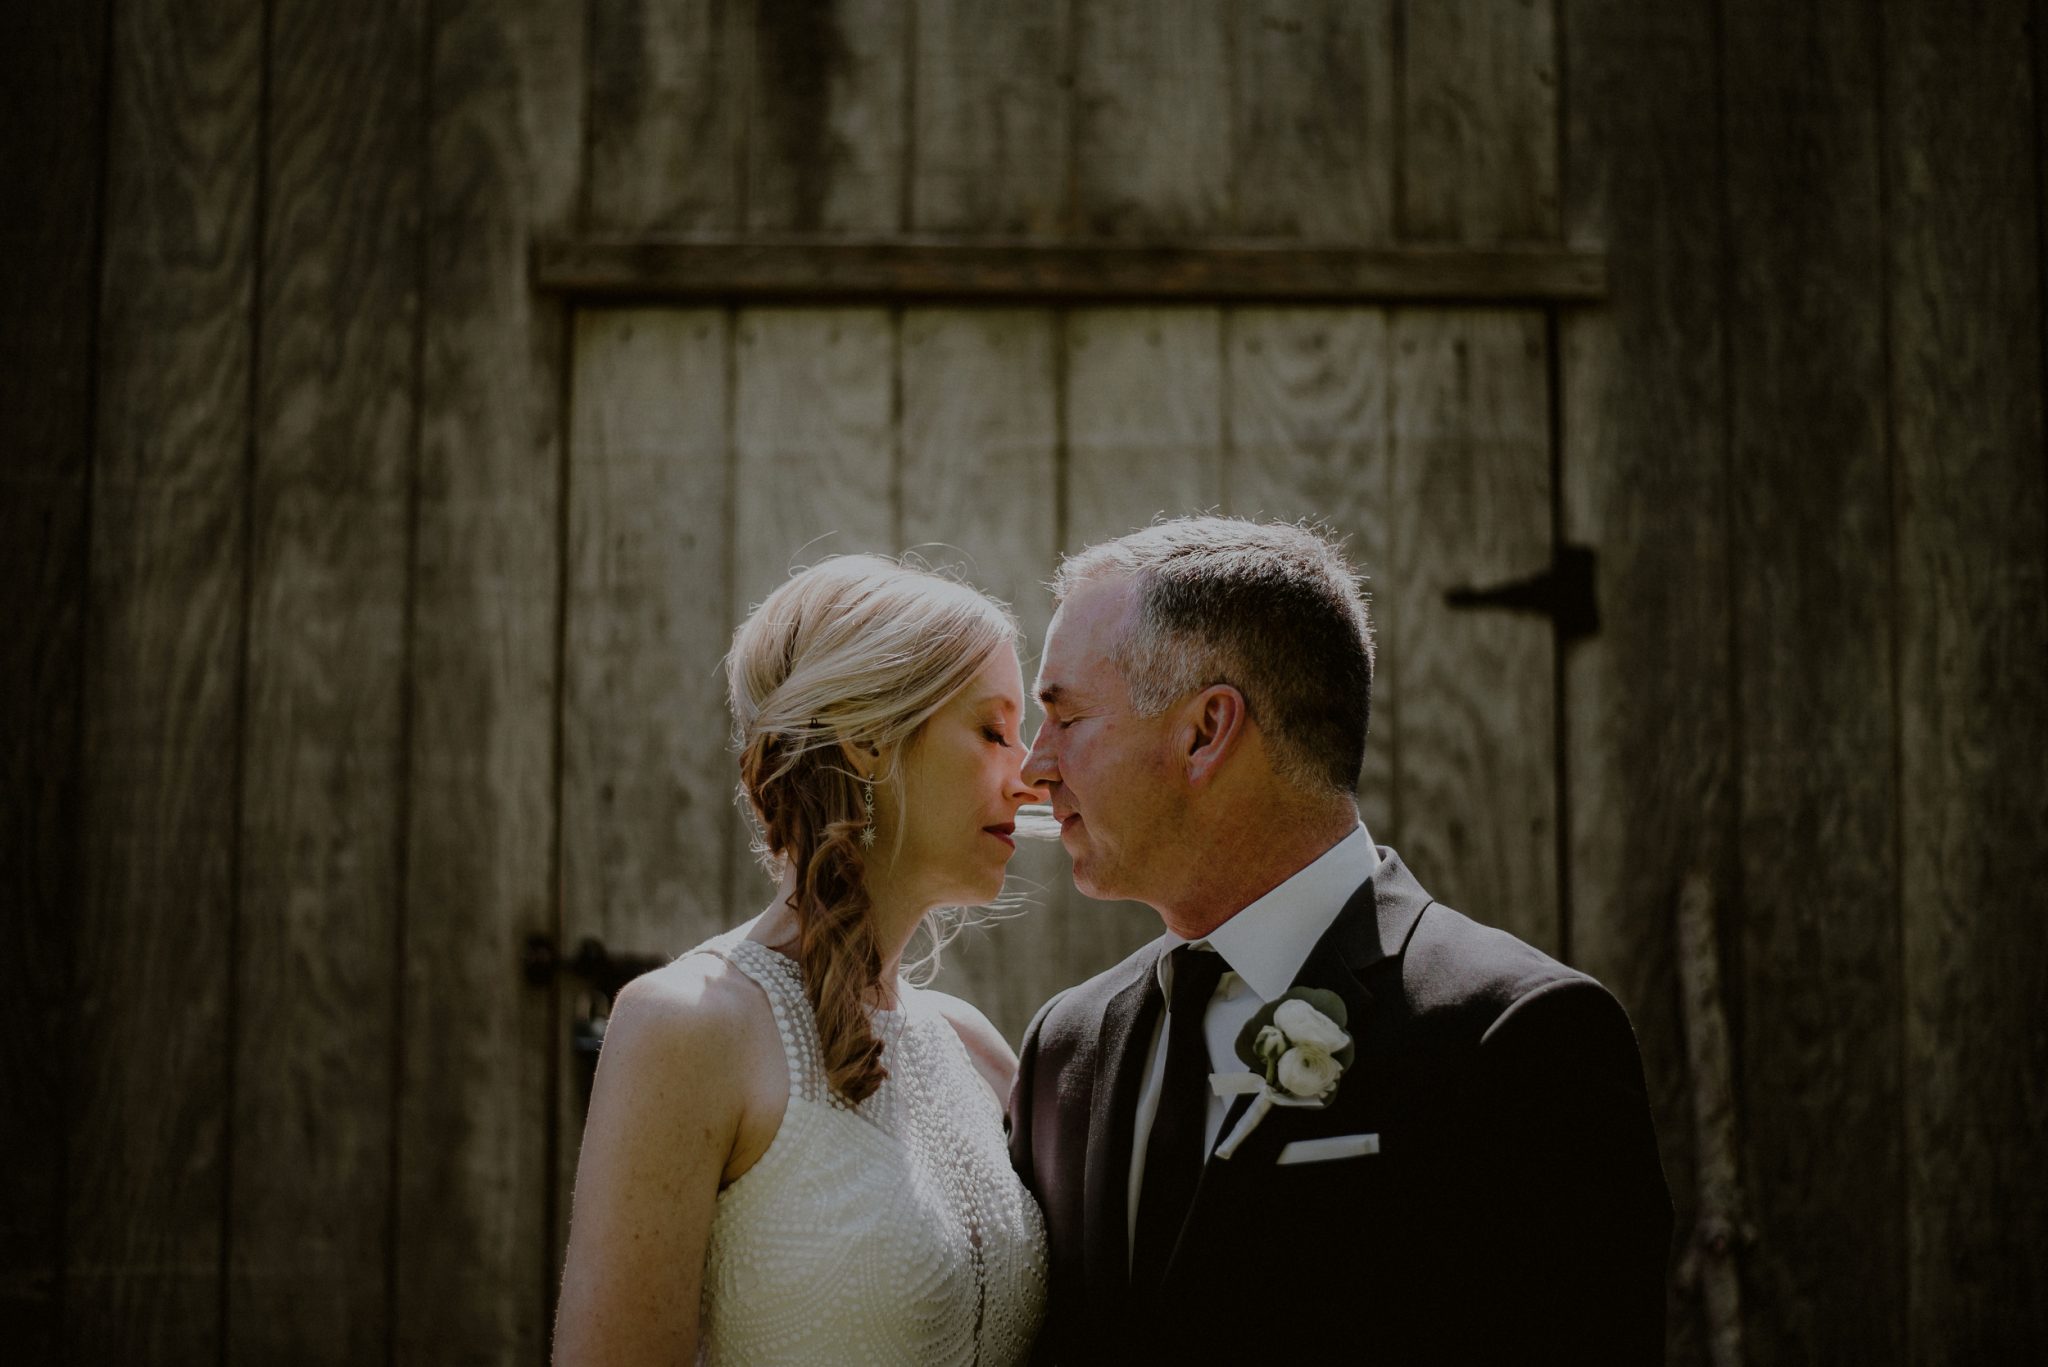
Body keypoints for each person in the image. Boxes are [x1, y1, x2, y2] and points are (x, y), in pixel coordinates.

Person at [1009, 517, 1672, 1364]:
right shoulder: (1065, 1050)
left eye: (1063, 718)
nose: (1035, 766)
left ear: (1207, 729)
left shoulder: (1519, 1038)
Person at [554, 555, 1049, 1365]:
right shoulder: (687, 1026)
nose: (1028, 775)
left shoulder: (977, 1049)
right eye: (994, 730)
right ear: (863, 738)